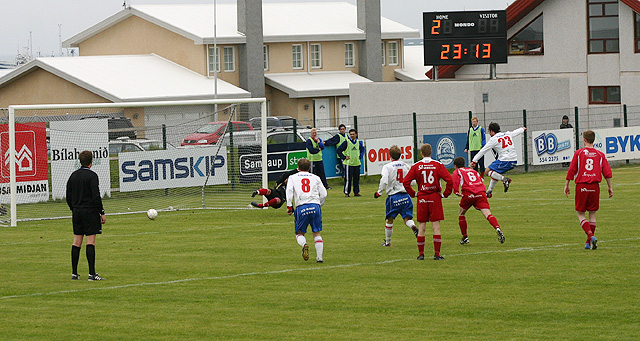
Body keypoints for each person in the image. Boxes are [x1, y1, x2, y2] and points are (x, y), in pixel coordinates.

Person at [402, 144, 453, 260]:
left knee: (422, 227)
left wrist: (413, 193)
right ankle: (437, 254)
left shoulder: (416, 166)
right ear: (431, 152)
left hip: (422, 198)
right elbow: (449, 180)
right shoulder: (437, 165)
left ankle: (421, 255)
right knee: (436, 227)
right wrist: (445, 194)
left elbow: (406, 182)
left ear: (421, 153)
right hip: (435, 197)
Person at [564, 130, 613, 250]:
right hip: (595, 186)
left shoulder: (579, 153)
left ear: (584, 140)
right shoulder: (600, 154)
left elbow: (572, 170)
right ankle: (588, 242)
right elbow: (607, 172)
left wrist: (567, 184)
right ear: (594, 140)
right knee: (593, 214)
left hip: (582, 186)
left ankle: (590, 236)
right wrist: (610, 187)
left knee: (580, 214)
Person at [66, 150, 106, 281]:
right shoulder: (92, 176)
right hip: (89, 211)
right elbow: (96, 196)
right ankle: (92, 274)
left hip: (77, 212)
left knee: (76, 241)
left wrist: (74, 208)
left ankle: (74, 273)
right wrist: (102, 212)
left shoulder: (73, 175)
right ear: (91, 162)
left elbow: (68, 196)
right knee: (90, 242)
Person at [452, 157, 504, 245]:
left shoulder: (457, 171)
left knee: (461, 213)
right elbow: (479, 180)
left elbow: (455, 182)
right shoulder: (473, 171)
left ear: (455, 166)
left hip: (469, 194)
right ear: (464, 164)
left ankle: (465, 237)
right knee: (488, 214)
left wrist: (456, 191)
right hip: (480, 193)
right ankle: (497, 228)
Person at [375, 145, 419, 247]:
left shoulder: (387, 167)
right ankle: (413, 226)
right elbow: (412, 181)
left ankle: (388, 242)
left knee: (389, 220)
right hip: (406, 196)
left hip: (393, 197)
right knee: (407, 219)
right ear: (400, 155)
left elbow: (384, 180)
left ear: (390, 155)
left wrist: (379, 192)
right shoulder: (405, 165)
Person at [286, 158, 328, 263]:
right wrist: (319, 204)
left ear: (298, 168)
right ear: (309, 168)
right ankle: (320, 258)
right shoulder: (316, 177)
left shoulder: (292, 177)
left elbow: (289, 191)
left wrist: (289, 206)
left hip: (301, 206)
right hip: (315, 206)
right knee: (317, 232)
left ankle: (304, 244)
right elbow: (324, 194)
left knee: (299, 233)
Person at [470, 123, 527, 198]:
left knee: (487, 171)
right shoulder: (507, 134)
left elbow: (483, 150)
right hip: (513, 160)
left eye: (489, 131)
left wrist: (474, 161)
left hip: (506, 160)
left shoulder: (493, 139)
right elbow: (515, 132)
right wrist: (522, 129)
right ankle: (489, 192)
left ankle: (504, 179)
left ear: (492, 131)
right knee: (495, 173)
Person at [337, 128, 365, 197]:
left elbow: (362, 149)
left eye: (353, 134)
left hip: (357, 163)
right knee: (348, 179)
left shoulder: (358, 142)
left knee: (356, 179)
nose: (352, 135)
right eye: (351, 134)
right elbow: (338, 150)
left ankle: (356, 192)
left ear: (356, 134)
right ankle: (347, 192)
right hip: (349, 164)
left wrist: (360, 156)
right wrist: (344, 157)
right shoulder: (347, 142)